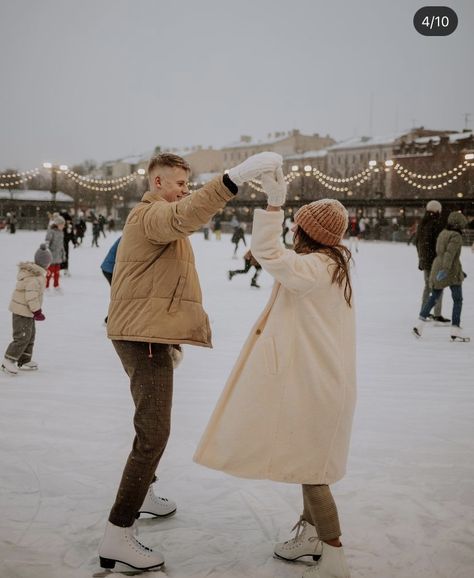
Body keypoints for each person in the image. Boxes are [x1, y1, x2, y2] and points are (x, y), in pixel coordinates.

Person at [98, 151, 283, 571]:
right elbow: (186, 214)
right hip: (140, 338)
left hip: (145, 333)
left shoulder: (153, 219)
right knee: (154, 433)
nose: (186, 189)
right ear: (158, 183)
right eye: (180, 183)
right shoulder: (152, 215)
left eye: (188, 182)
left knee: (150, 428)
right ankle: (118, 534)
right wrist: (232, 180)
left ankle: (143, 493)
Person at [194, 170, 356, 578]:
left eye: (297, 226)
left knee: (313, 471)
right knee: (308, 462)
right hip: (317, 383)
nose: (293, 230)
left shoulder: (314, 268)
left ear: (308, 233)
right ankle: (312, 538)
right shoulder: (329, 264)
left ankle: (333, 554)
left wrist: (273, 206)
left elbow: (267, 252)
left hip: (316, 386)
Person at [413, 211, 469, 342]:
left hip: (437, 265)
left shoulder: (443, 233)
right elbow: (449, 254)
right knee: (458, 300)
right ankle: (455, 330)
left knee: (434, 297)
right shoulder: (456, 236)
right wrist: (447, 269)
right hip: (449, 270)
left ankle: (419, 326)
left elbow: (441, 252)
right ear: (458, 224)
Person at [2, 244, 52, 375]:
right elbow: (31, 296)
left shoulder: (37, 275)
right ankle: (8, 360)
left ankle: (24, 360)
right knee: (22, 337)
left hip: (27, 312)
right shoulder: (34, 279)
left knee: (30, 336)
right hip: (21, 311)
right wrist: (37, 311)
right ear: (45, 263)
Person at [415, 200, 449, 323]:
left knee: (428, 286)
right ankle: (437, 314)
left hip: (425, 260)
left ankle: (424, 311)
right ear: (437, 211)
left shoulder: (422, 224)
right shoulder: (436, 224)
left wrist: (421, 258)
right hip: (434, 260)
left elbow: (417, 243)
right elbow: (439, 244)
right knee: (438, 286)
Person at [100, 237, 121, 324]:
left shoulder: (127, 235)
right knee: (120, 295)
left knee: (120, 295)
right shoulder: (126, 238)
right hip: (110, 269)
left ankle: (110, 319)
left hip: (110, 268)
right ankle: (109, 320)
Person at [45, 216, 66, 289]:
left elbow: (62, 245)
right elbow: (47, 241)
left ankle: (56, 285)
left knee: (57, 272)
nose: (63, 226)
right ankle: (46, 285)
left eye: (63, 225)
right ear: (57, 224)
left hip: (58, 255)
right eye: (62, 224)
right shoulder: (51, 231)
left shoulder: (61, 233)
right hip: (51, 255)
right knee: (49, 272)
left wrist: (63, 254)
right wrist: (47, 250)